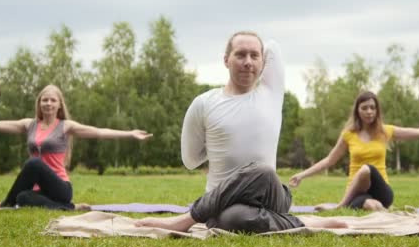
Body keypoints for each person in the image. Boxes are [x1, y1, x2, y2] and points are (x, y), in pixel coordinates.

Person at [135, 31, 347, 233]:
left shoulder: (271, 94)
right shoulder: (203, 104)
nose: (248, 61)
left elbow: (272, 46)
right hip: (221, 208)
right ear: (226, 60)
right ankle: (304, 222)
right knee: (233, 219)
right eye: (240, 55)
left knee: (262, 172)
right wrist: (219, 145)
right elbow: (190, 161)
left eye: (255, 55)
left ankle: (186, 219)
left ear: (263, 62)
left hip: (271, 195)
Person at [0, 84, 153, 210]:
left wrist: (130, 134)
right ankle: (69, 208)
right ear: (39, 103)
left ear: (59, 105)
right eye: (45, 100)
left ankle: (4, 205)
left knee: (34, 163)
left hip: (60, 187)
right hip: (41, 191)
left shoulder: (65, 127)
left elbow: (99, 132)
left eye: (52, 100)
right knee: (23, 197)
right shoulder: (29, 125)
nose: (48, 103)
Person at [289, 91, 419, 212]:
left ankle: (338, 207)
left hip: (382, 189)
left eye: (372, 107)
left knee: (367, 169)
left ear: (377, 110)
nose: (369, 111)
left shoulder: (385, 131)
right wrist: (301, 175)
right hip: (357, 193)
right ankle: (375, 210)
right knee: (372, 205)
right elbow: (329, 161)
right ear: (357, 111)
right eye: (364, 108)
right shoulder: (349, 135)